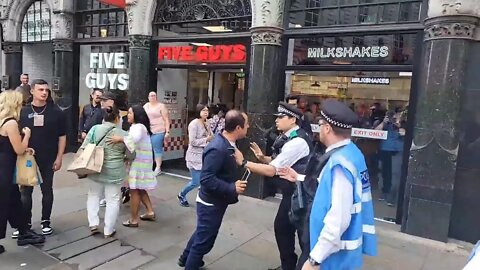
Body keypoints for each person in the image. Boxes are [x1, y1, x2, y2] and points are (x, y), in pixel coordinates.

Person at [280, 99, 377, 270]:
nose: (319, 128)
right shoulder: (353, 153)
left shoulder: (339, 164)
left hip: (332, 258)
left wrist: (314, 260)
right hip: (342, 254)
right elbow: (328, 188)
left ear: (327, 128)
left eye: (321, 123)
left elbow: (338, 219)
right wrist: (299, 178)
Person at [234, 102, 312, 270]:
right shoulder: (290, 137)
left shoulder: (297, 141)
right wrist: (263, 158)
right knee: (284, 229)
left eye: (281, 117)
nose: (277, 121)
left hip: (299, 195)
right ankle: (289, 265)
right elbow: (280, 161)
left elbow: (272, 171)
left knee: (302, 236)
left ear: (293, 119)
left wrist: (244, 163)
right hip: (291, 194)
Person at [178, 110, 249, 270]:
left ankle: (185, 258)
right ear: (238, 128)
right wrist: (232, 187)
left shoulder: (228, 143)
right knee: (204, 241)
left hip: (217, 200)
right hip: (210, 203)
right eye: (247, 124)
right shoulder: (217, 148)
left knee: (201, 233)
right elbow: (206, 179)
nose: (248, 127)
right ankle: (191, 263)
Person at [17, 79, 66, 237]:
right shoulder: (23, 111)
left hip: (49, 156)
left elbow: (62, 136)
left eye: (46, 90)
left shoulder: (56, 111)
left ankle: (46, 221)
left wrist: (59, 157)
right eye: (40, 89)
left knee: (47, 189)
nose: (44, 92)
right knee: (25, 192)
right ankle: (25, 223)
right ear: (32, 91)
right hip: (28, 156)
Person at [0, 90, 45, 254]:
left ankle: (23, 231)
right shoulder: (10, 123)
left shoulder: (1, 120)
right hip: (5, 170)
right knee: (5, 203)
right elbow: (19, 149)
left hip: (3, 166)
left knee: (14, 202)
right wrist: (27, 135)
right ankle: (23, 232)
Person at [81, 105, 132, 238]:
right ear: (117, 118)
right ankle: (108, 230)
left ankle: (93, 223)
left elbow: (84, 147)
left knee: (93, 195)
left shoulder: (95, 129)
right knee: (113, 200)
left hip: (94, 169)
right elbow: (132, 155)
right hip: (114, 171)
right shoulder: (123, 134)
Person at [111, 105, 157, 227]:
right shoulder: (139, 127)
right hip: (142, 161)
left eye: (130, 113)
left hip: (138, 163)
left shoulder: (138, 127)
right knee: (140, 188)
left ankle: (133, 220)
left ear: (137, 115)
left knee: (134, 190)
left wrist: (119, 138)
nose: (128, 115)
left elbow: (133, 139)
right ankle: (150, 211)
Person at [178, 104, 213, 207]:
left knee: (205, 179)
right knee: (196, 181)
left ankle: (203, 199)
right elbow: (192, 141)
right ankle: (182, 194)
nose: (206, 112)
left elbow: (211, 135)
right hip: (194, 156)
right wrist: (206, 140)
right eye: (203, 110)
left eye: (207, 110)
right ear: (198, 111)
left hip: (205, 154)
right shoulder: (194, 124)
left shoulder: (208, 122)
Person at [375, 109, 404, 202]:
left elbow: (404, 133)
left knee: (396, 173)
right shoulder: (385, 123)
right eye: (394, 116)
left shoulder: (404, 123)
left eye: (398, 115)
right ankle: (385, 191)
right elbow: (375, 132)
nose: (395, 117)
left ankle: (393, 195)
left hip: (398, 150)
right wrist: (384, 122)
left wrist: (399, 124)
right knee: (385, 172)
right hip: (385, 149)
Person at [144, 91, 171, 175]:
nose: (152, 97)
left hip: (159, 129)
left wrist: (167, 131)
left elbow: (166, 119)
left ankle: (158, 167)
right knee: (148, 148)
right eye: (151, 95)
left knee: (157, 148)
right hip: (148, 130)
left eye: (154, 95)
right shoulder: (146, 106)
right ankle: (149, 166)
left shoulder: (161, 106)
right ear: (148, 97)